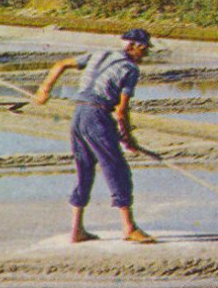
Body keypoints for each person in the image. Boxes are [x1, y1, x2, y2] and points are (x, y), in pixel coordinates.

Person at [33, 28, 156, 244]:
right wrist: (128, 137)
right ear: (132, 47)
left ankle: (77, 230)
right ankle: (129, 227)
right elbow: (121, 110)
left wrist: (44, 89)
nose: (145, 55)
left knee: (85, 169)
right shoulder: (130, 69)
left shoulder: (99, 54)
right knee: (117, 169)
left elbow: (60, 64)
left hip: (79, 114)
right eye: (143, 50)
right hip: (97, 114)